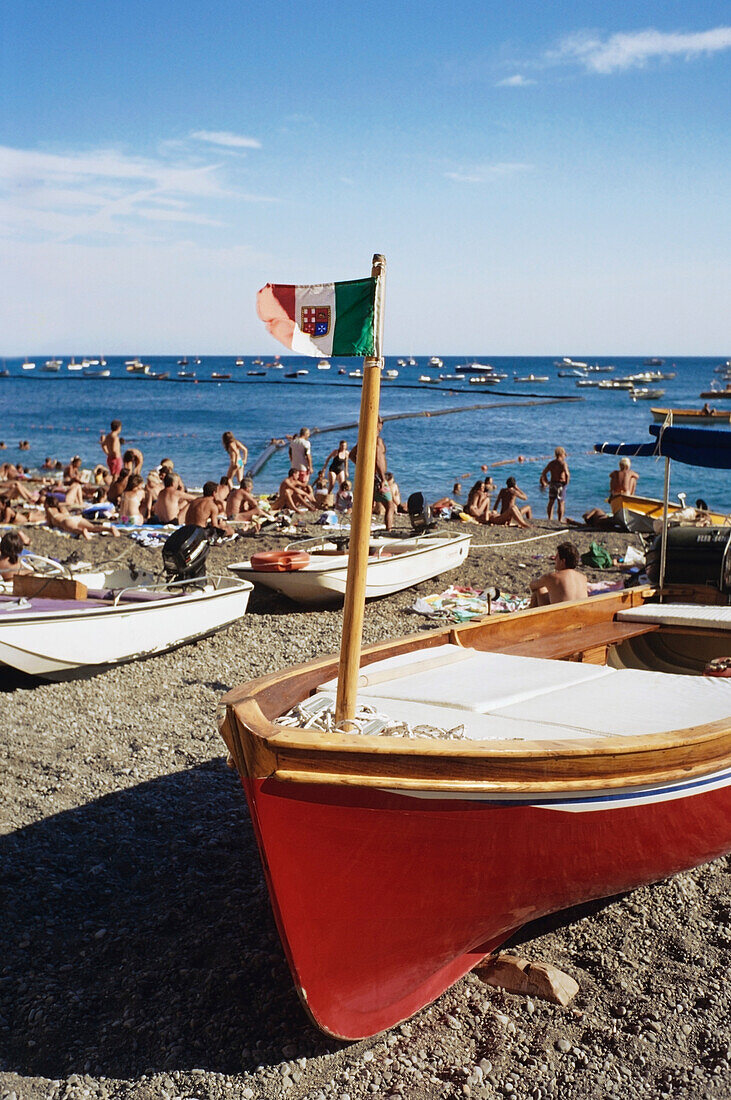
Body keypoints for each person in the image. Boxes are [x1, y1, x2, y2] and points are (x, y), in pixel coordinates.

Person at [350, 417, 396, 532]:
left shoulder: (364, 439)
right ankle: (388, 530)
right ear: (378, 424)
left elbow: (351, 455)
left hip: (368, 475)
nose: (382, 426)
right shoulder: (377, 441)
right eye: (381, 423)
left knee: (368, 505)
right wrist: (382, 478)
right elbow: (378, 460)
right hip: (377, 476)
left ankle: (364, 530)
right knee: (390, 506)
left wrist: (364, 468)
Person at [529, 541, 588, 607]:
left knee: (540, 589)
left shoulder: (552, 577)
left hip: (562, 615)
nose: (555, 559)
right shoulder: (583, 577)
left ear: (563, 561)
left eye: (557, 557)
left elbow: (532, 586)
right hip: (583, 614)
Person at [44, 497, 120, 539]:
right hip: (76, 518)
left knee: (74, 530)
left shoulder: (49, 510)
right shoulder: (62, 508)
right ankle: (110, 529)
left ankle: (82, 531)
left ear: (47, 504)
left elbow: (50, 524)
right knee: (93, 527)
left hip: (66, 521)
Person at [540, 446, 570, 522]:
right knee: (561, 503)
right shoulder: (563, 463)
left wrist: (547, 482)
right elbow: (567, 474)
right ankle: (560, 519)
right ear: (561, 454)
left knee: (551, 502)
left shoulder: (551, 463)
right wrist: (566, 483)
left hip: (553, 483)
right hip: (561, 484)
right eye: (564, 454)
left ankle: (550, 518)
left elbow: (544, 473)